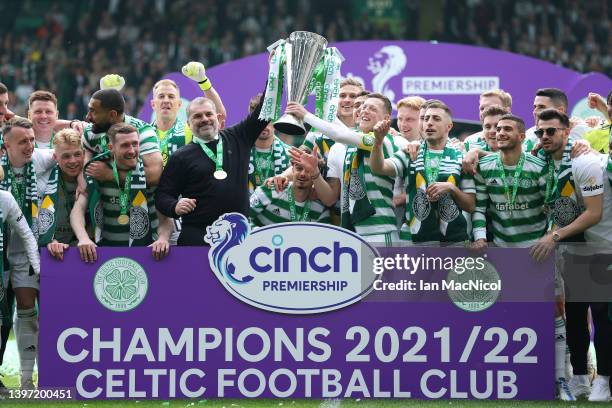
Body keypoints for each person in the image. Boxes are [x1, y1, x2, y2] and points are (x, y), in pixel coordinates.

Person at [528, 109, 605, 401]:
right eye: (540, 132)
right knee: (569, 314)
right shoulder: (541, 157)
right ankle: (578, 378)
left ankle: (599, 376)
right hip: (559, 247)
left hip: (589, 245)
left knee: (593, 314)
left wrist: (554, 235)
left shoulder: (582, 157)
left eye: (551, 131)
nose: (545, 136)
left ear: (566, 130)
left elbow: (593, 213)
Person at [155, 84, 271, 245]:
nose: (204, 119)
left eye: (208, 114)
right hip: (197, 238)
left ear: (218, 117)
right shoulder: (181, 157)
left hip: (237, 237)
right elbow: (162, 195)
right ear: (188, 124)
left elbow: (266, 108)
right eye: (197, 116)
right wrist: (174, 206)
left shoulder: (239, 137)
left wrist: (274, 70)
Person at [285, 93, 400, 244]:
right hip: (353, 232)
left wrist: (305, 115)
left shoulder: (380, 140)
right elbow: (342, 132)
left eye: (372, 108)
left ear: (386, 119)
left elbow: (339, 134)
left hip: (379, 231)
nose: (364, 110)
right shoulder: (351, 143)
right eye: (362, 107)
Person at [369, 101, 475, 244]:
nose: (429, 123)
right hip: (413, 240)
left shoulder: (461, 156)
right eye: (426, 119)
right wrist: (378, 141)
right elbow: (378, 167)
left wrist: (452, 188)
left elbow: (470, 205)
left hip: (453, 241)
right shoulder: (411, 152)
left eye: (436, 119)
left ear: (449, 126)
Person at [0, 117, 55, 389]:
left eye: (32, 140)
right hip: (2, 254)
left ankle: (26, 381)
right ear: (6, 145)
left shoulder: (42, 159)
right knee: (2, 319)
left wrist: (81, 180)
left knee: (26, 311)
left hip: (26, 252)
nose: (30, 146)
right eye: (23, 141)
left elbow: (72, 155)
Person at [71, 123, 172, 262]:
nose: (132, 150)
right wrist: (83, 238)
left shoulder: (150, 175)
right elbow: (77, 210)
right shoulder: (96, 170)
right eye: (125, 145)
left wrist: (163, 239)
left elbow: (165, 217)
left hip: (148, 253)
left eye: (135, 144)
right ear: (111, 148)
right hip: (105, 254)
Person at [471, 114, 548, 249]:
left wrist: (549, 237)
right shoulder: (483, 166)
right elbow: (479, 208)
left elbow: (551, 208)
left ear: (522, 137)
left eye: (507, 129)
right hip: (500, 246)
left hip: (537, 248)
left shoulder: (539, 167)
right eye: (499, 129)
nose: (500, 133)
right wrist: (480, 237)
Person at [77, 89, 162, 187]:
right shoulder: (91, 132)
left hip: (138, 201)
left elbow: (154, 176)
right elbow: (84, 170)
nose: (88, 117)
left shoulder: (144, 132)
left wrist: (110, 175)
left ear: (112, 114)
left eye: (93, 111)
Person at [250, 146, 330, 226]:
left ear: (318, 175)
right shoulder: (273, 188)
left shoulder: (321, 209)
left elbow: (324, 238)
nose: (302, 174)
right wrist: (260, 237)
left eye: (309, 171)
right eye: (299, 168)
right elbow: (243, 217)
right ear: (292, 169)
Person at [39, 129, 85, 261]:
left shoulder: (93, 179)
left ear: (84, 154)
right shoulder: (43, 182)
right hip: (54, 252)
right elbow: (34, 221)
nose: (73, 161)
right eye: (66, 156)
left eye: (77, 154)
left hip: (87, 248)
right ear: (55, 157)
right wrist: (50, 241)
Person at [247, 93, 290, 194]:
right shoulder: (238, 152)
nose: (263, 124)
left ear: (276, 120)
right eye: (259, 119)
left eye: (268, 119)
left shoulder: (289, 154)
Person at [525, 88, 590, 151]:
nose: (535, 112)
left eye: (541, 107)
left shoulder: (585, 132)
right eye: (535, 107)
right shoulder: (529, 135)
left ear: (560, 111)